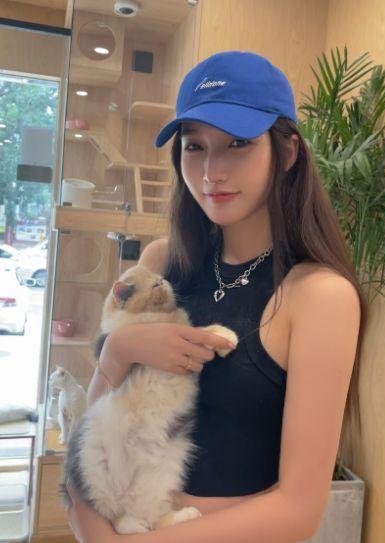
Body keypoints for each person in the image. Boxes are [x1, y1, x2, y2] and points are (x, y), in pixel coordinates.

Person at [66, 50, 366, 543]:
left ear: (288, 151)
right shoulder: (163, 264)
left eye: (238, 143)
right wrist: (118, 352)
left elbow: (298, 510)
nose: (211, 171)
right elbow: (95, 439)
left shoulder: (319, 296)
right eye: (195, 146)